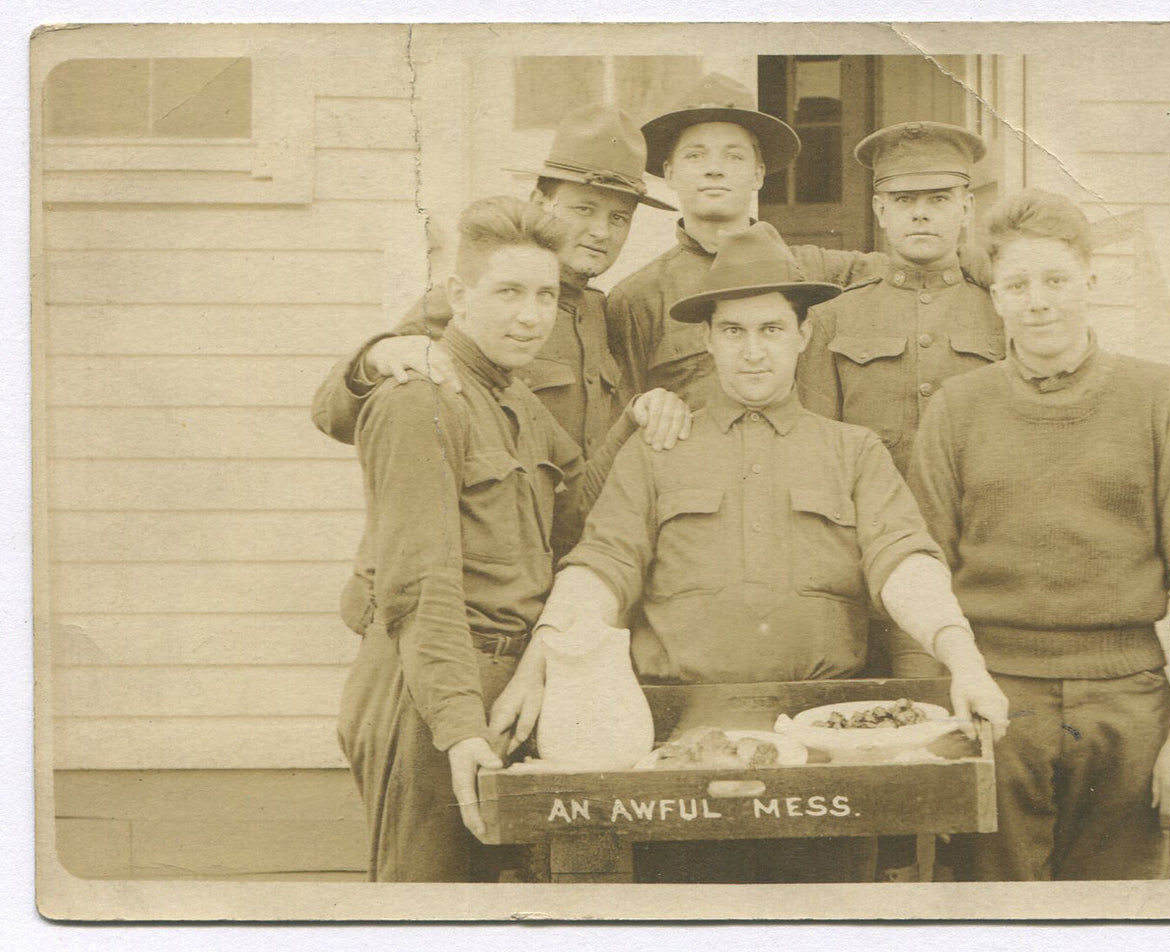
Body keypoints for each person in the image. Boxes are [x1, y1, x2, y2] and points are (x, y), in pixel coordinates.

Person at [490, 222, 1010, 883]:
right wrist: (539, 661)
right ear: (707, 340)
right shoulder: (657, 453)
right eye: (732, 332)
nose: (752, 351)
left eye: (769, 330)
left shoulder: (853, 453)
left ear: (803, 336)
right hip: (680, 752)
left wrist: (962, 659)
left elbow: (903, 559)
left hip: (828, 754)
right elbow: (601, 565)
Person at [335, 196, 687, 882]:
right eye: (508, 293)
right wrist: (460, 727)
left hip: (495, 686)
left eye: (545, 296)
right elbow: (418, 587)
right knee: (428, 912)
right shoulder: (422, 398)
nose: (530, 316)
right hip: (427, 690)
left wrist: (634, 424)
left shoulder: (512, 398)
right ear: (458, 297)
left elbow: (576, 512)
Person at [906, 189, 1170, 881]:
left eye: (1055, 280)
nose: (1038, 302)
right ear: (995, 298)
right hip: (993, 707)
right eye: (1016, 285)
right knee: (987, 925)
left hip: (1127, 709)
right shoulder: (956, 410)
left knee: (1120, 924)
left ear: (1089, 280)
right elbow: (921, 570)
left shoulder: (1154, 397)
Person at [311, 103, 690, 458]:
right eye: (584, 209)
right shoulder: (476, 297)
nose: (601, 232)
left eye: (618, 218)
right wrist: (377, 356)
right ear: (540, 202)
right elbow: (334, 416)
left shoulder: (602, 314)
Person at [606, 73, 889, 410]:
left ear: (758, 174)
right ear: (669, 173)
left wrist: (969, 261)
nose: (714, 169)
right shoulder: (638, 298)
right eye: (695, 156)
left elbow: (912, 270)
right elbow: (626, 413)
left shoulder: (814, 270)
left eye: (734, 156)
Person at [797, 120, 1004, 477]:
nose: (920, 212)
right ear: (880, 211)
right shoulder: (832, 317)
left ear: (967, 209)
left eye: (939, 198)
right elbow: (817, 447)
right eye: (904, 199)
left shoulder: (1001, 311)